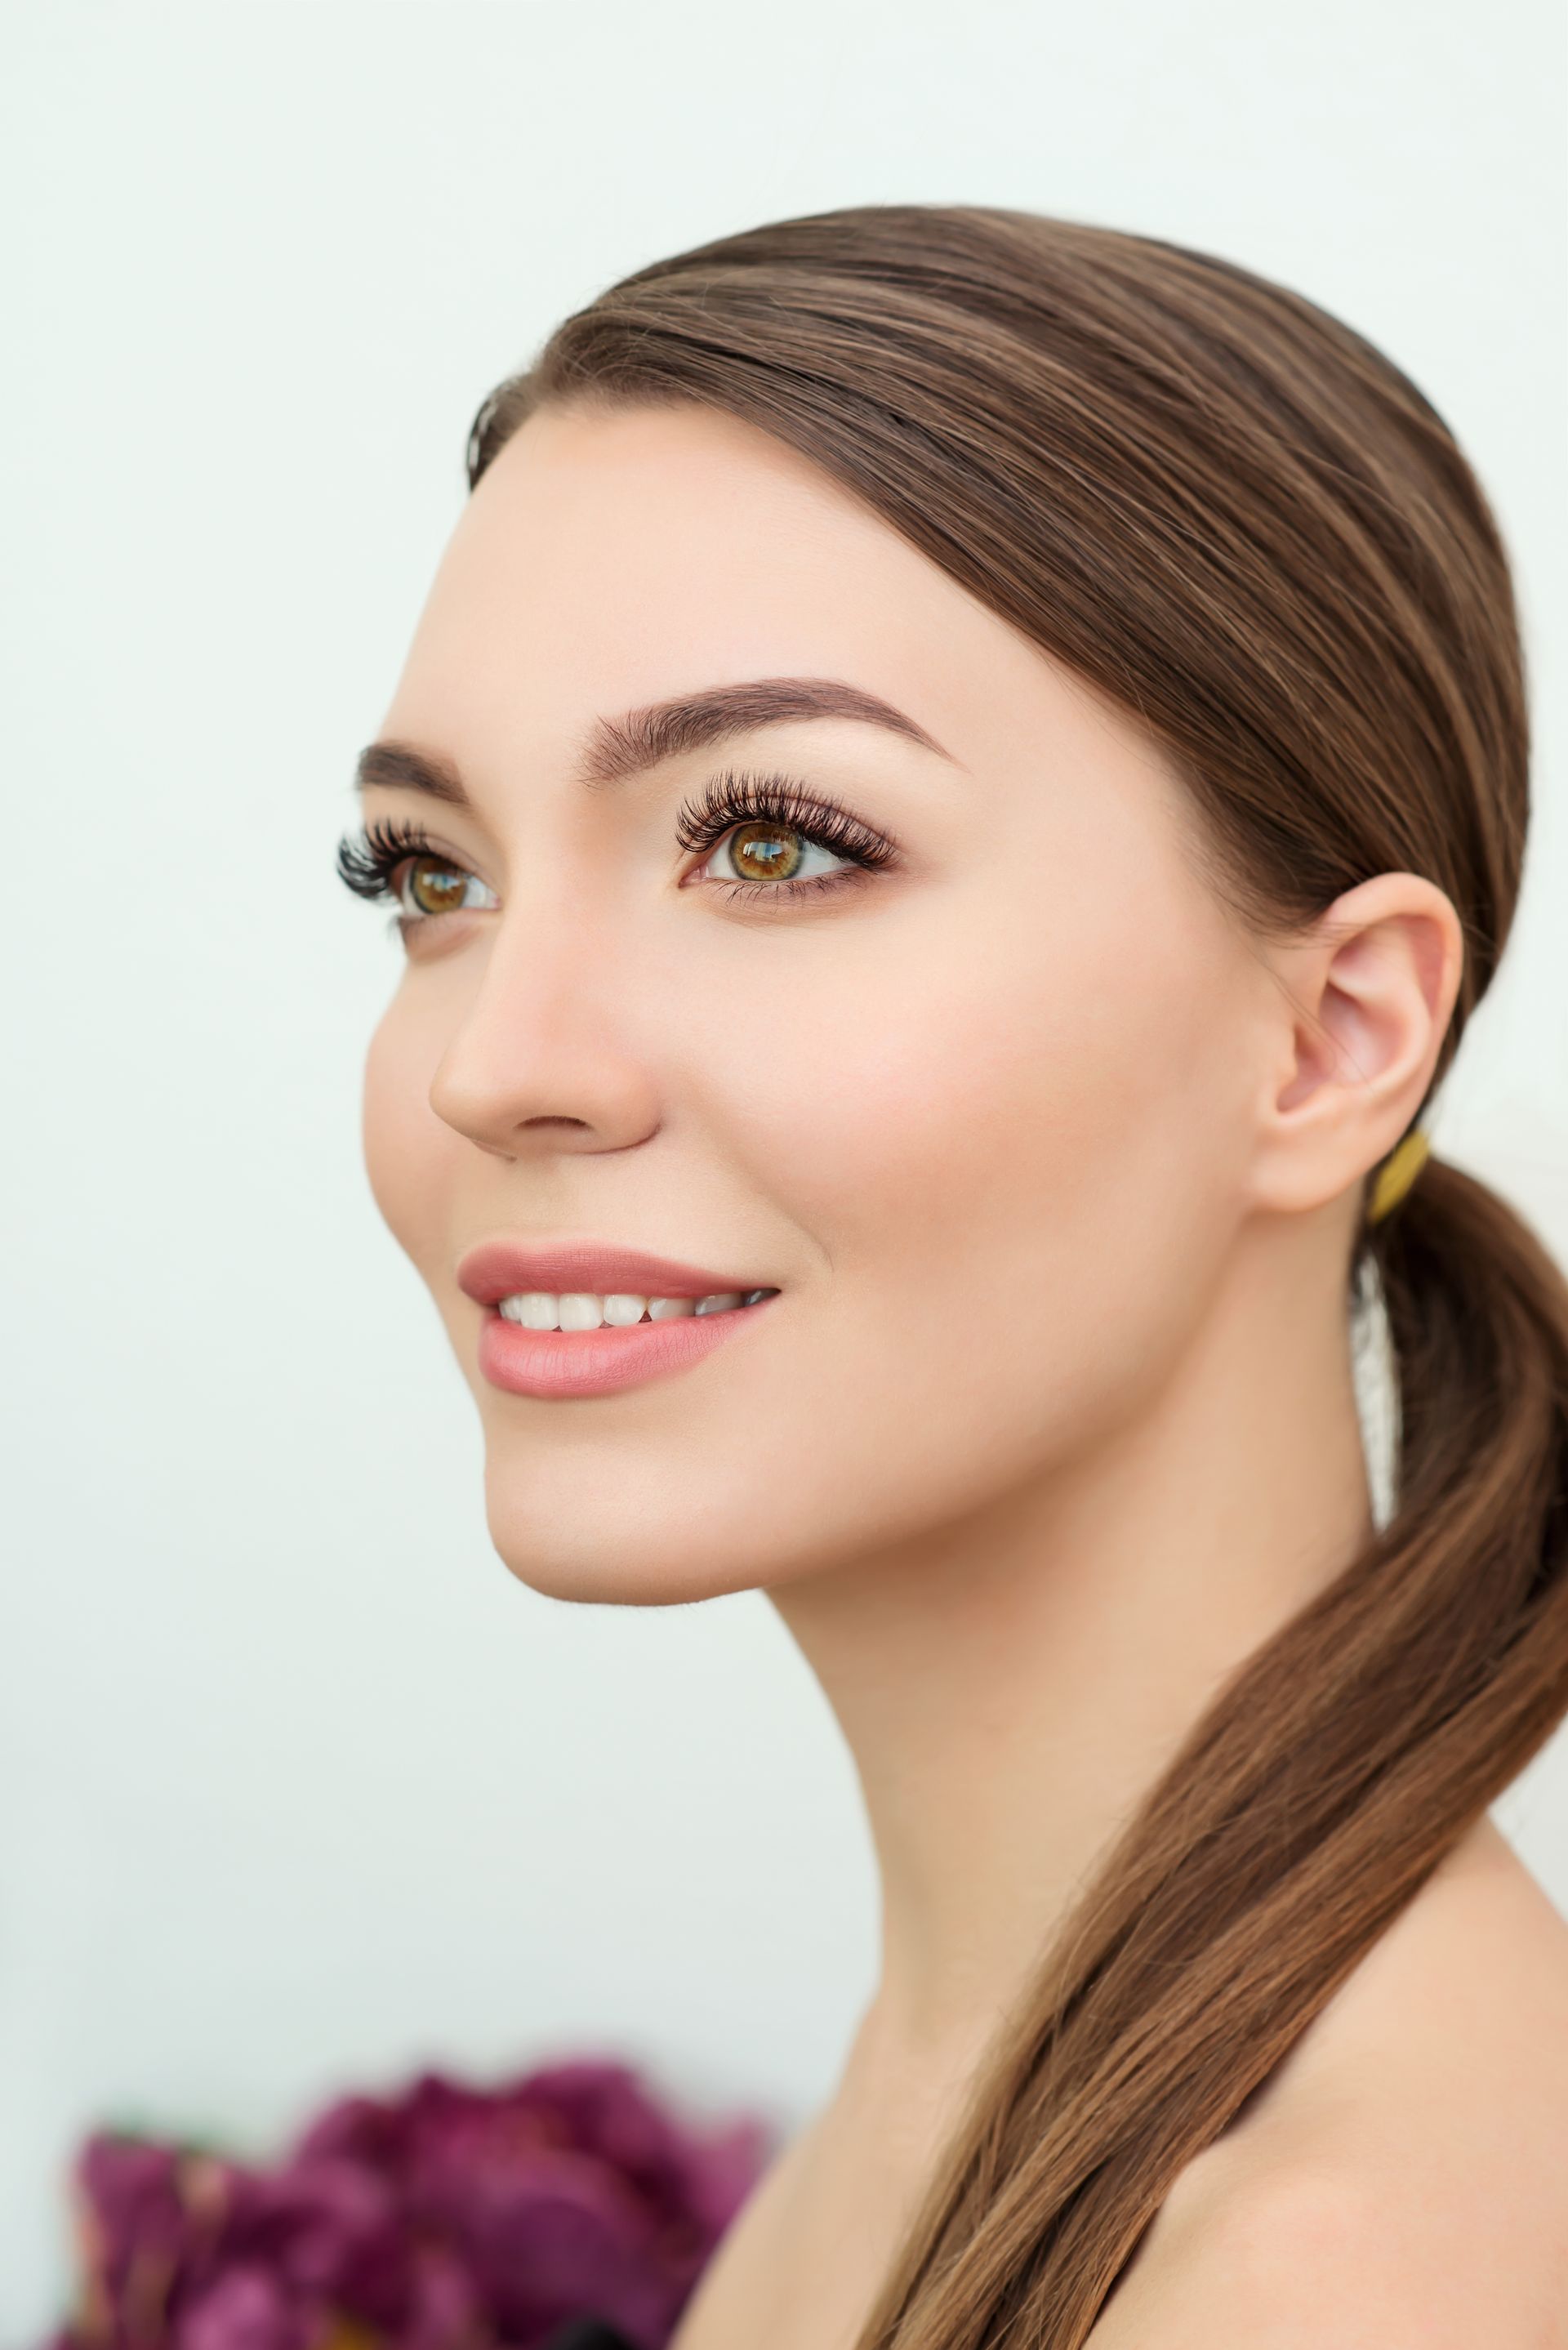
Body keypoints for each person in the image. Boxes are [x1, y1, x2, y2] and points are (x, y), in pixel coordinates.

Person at [336, 206, 1568, 2348]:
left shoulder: (1337, 2275)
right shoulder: (1013, 2070)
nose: (498, 1066)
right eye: (432, 876)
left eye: (780, 842)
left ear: (1333, 1035)